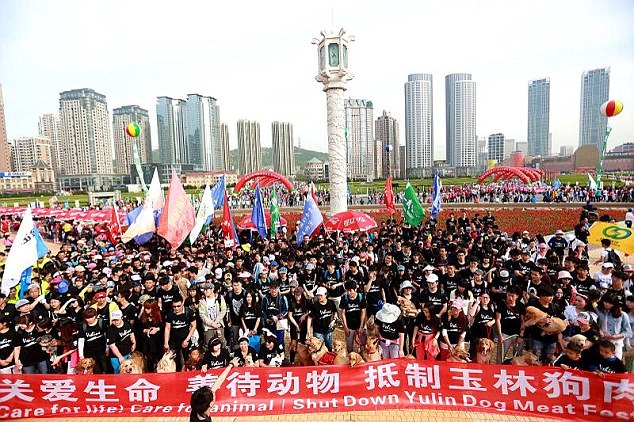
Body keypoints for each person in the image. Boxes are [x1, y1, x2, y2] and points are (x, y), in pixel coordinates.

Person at [189, 356, 240, 421]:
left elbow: (218, 382)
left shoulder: (196, 409)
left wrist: (231, 365)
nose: (213, 391)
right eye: (213, 394)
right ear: (211, 403)